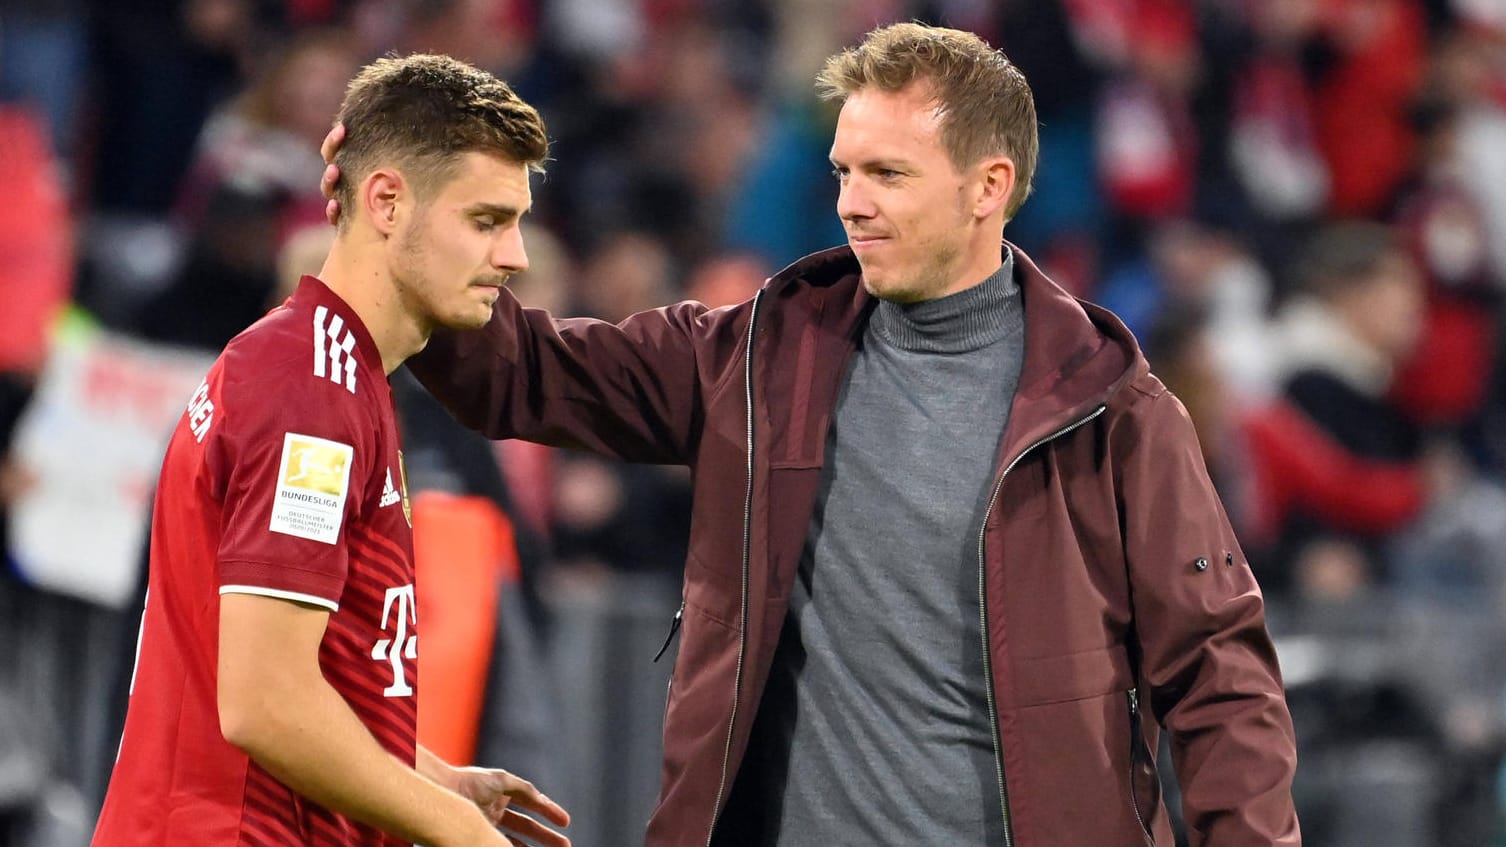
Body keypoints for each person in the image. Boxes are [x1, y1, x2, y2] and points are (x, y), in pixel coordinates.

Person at [325, 22, 1302, 847]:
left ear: (987, 186)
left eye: (887, 173)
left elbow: (1219, 677)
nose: (849, 201)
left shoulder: (1111, 407)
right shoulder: (756, 355)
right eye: (843, 169)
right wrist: (412, 239)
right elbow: (522, 376)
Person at [92, 54, 570, 847]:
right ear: (386, 200)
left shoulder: (331, 372)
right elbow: (264, 701)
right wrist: (454, 826)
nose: (514, 256)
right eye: (486, 220)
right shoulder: (309, 397)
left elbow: (291, 668)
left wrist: (429, 772)